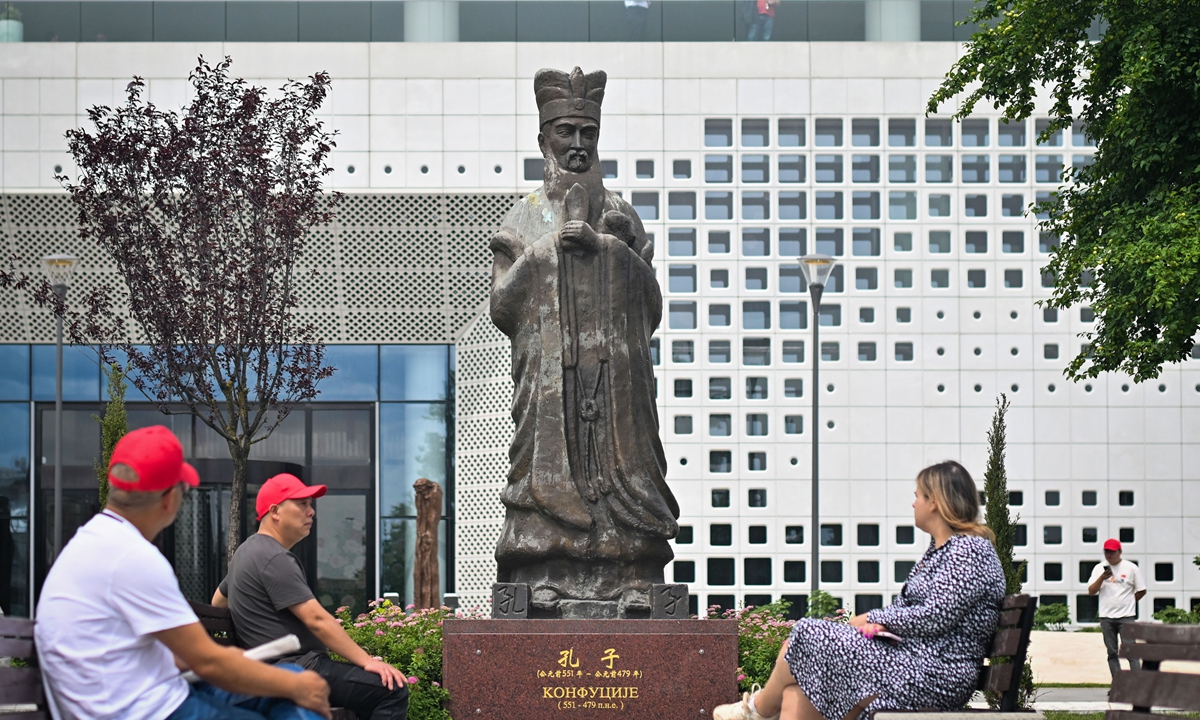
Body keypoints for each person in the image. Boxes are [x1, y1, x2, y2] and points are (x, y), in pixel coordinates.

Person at [488, 67, 679, 617]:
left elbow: (651, 306)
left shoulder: (622, 214)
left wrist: (609, 250)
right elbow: (503, 307)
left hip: (616, 380)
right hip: (552, 381)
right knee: (546, 463)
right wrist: (545, 250)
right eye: (565, 131)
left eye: (586, 133)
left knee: (626, 462)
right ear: (543, 137)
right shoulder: (522, 216)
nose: (577, 144)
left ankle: (633, 575)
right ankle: (544, 569)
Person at [35, 426, 331, 720]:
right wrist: (297, 684)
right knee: (293, 686)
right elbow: (207, 662)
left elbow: (181, 655)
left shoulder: (95, 542)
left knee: (288, 681)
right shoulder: (133, 557)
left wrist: (279, 677)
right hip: (145, 710)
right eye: (184, 488)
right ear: (168, 499)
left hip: (143, 692)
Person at [714, 461, 1006, 720]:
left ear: (935, 502)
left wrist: (872, 618)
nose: (913, 503)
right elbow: (908, 609)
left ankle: (756, 710)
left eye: (918, 496)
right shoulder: (940, 552)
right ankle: (754, 710)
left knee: (806, 634)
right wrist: (873, 621)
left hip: (935, 675)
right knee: (797, 690)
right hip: (911, 663)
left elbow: (937, 616)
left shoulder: (969, 550)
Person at [213, 473, 409, 720]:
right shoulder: (274, 557)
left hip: (272, 666)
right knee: (393, 690)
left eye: (310, 504)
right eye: (302, 503)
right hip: (297, 666)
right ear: (275, 511)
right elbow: (316, 619)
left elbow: (217, 601)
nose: (311, 511)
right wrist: (368, 661)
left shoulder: (247, 552)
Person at [1087, 538, 1145, 681]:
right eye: (1107, 552)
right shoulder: (1099, 568)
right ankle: (1118, 684)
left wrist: (1131, 601)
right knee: (1112, 652)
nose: (1109, 555)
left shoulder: (1131, 568)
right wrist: (1101, 578)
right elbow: (1091, 591)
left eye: (1112, 552)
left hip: (1126, 616)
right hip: (1106, 617)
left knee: (1131, 650)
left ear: (1120, 551)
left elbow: (1142, 590)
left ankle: (1137, 684)